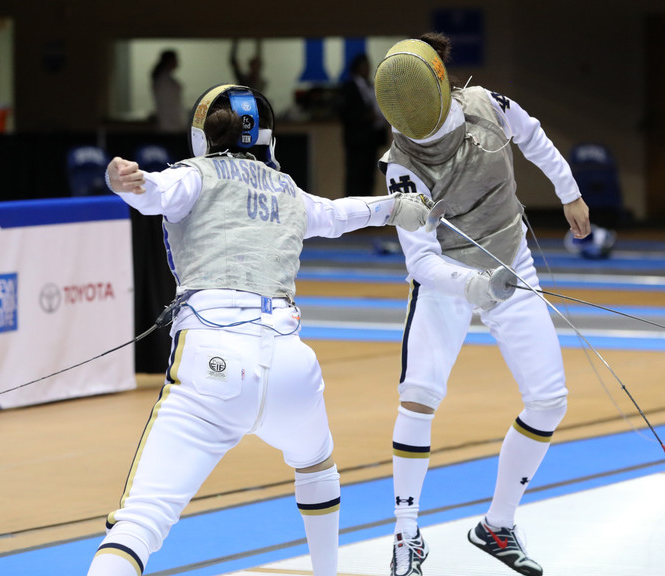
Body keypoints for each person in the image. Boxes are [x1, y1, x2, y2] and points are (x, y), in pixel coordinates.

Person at [86, 84, 433, 576]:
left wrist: (122, 178)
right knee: (317, 467)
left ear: (202, 134)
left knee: (139, 523)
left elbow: (153, 191)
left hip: (212, 365)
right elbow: (336, 215)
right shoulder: (286, 187)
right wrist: (394, 208)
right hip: (292, 367)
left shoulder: (193, 174)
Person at [373, 34, 593, 576]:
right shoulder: (402, 166)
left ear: (443, 84)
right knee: (418, 400)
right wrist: (474, 286)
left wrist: (569, 192)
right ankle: (406, 540)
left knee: (549, 400)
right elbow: (422, 263)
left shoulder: (489, 105)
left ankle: (497, 524)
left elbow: (536, 138)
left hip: (510, 258)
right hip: (447, 283)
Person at [339, 53, 388, 197]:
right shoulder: (348, 87)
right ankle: (352, 205)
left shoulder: (370, 86)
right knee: (355, 175)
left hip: (371, 139)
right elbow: (345, 112)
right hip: (356, 140)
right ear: (357, 68)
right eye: (364, 66)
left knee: (368, 176)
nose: (367, 69)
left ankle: (367, 204)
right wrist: (365, 116)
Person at [151, 49, 183, 132]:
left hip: (172, 122)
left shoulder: (166, 79)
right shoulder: (162, 81)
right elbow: (167, 105)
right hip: (168, 124)